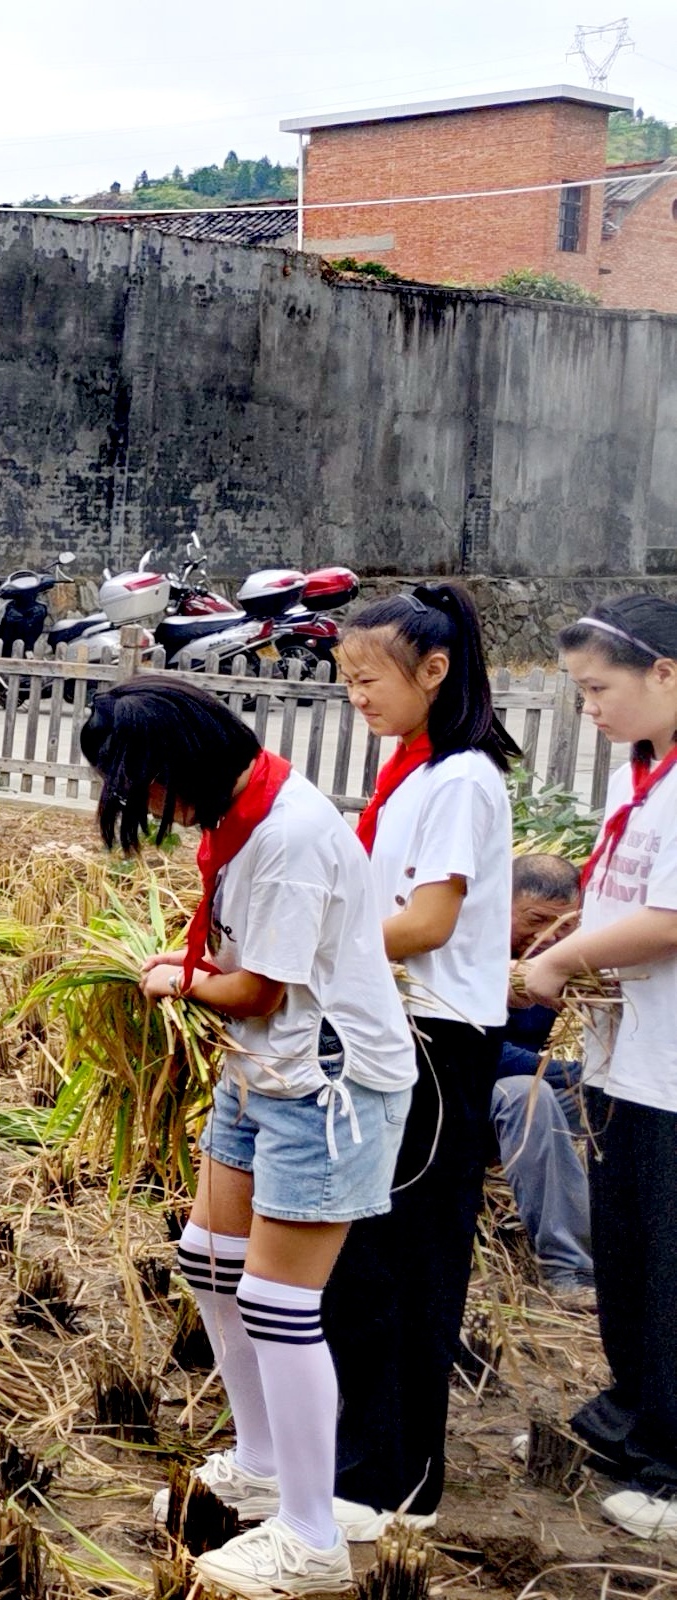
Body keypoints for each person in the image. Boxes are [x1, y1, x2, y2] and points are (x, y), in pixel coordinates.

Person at [87, 677, 413, 1600]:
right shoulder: (243, 810)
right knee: (209, 1257)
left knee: (276, 1299)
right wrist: (188, 969)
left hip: (325, 1083)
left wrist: (171, 981)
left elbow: (258, 989)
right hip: (261, 1068)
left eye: (144, 785)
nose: (145, 804)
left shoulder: (288, 838)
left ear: (181, 764)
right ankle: (263, 1460)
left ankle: (311, 1535)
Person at [322, 582, 518, 1542]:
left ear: (433, 672)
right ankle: (367, 1467)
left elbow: (428, 922)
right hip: (395, 1027)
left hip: (438, 1042)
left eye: (370, 679)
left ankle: (391, 1485)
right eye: (345, 679)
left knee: (400, 1261)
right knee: (365, 1258)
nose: (356, 695)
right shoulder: (409, 771)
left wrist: (319, 950)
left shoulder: (459, 780)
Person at [521, 595, 677, 1542]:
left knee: (668, 1266)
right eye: (578, 694)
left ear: (665, 672)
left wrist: (556, 960)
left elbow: (667, 922)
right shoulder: (645, 774)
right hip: (632, 1061)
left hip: (672, 1073)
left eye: (598, 689)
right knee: (628, 1255)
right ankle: (640, 1417)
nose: (590, 710)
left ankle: (671, 1474)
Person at [491, 855, 593, 1293]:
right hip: (464, 1100)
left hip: (539, 1086)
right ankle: (568, 1269)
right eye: (534, 920)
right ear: (501, 904)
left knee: (615, 1096)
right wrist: (559, 1071)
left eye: (562, 927)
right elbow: (482, 1053)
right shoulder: (464, 946)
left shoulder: (564, 959)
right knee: (525, 1095)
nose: (545, 936)